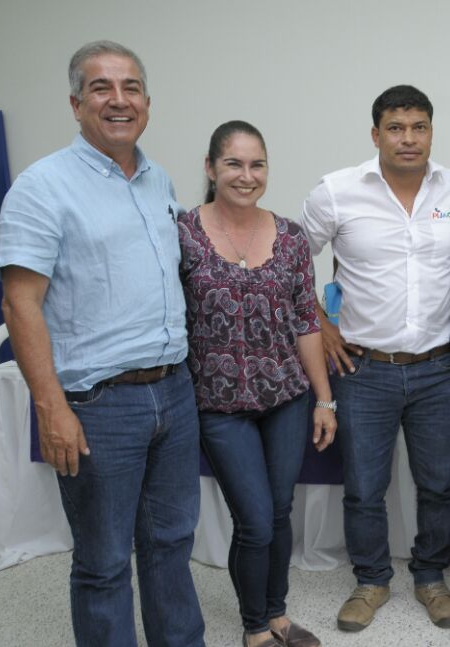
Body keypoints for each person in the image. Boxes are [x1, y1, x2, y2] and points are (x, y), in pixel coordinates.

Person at [0, 41, 205, 646]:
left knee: (171, 545)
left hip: (173, 392)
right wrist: (51, 407)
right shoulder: (42, 188)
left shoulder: (157, 178)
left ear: (146, 102)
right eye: (101, 88)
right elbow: (20, 304)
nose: (119, 100)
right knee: (104, 563)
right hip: (96, 406)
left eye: (131, 87)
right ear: (75, 102)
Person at [301, 85, 450, 632]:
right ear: (375, 134)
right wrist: (323, 325)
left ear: (431, 131)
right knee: (364, 487)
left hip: (439, 369)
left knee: (438, 485)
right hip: (365, 370)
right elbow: (285, 265)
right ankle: (371, 580)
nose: (408, 138)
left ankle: (430, 577)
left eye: (418, 127)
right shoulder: (335, 192)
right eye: (395, 128)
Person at [177, 120, 336, 647]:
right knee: (255, 519)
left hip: (286, 399)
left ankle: (277, 613)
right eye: (234, 164)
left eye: (257, 164)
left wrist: (324, 399)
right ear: (210, 168)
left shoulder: (290, 238)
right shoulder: (181, 234)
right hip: (219, 406)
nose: (247, 176)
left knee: (281, 509)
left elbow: (307, 324)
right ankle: (254, 628)